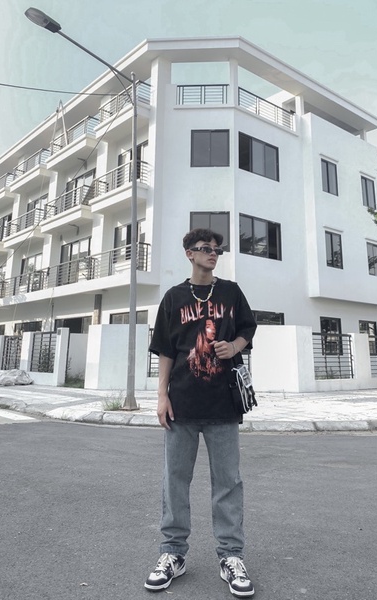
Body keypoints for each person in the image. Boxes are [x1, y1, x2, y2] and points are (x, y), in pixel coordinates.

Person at [145, 228, 257, 598]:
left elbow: (247, 328)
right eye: (206, 249)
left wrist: (234, 346)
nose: (213, 254)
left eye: (217, 250)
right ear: (189, 254)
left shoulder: (231, 292)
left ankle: (231, 556)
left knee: (228, 482)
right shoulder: (174, 297)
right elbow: (165, 349)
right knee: (175, 481)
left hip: (224, 403)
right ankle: (172, 554)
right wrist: (161, 396)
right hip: (182, 403)